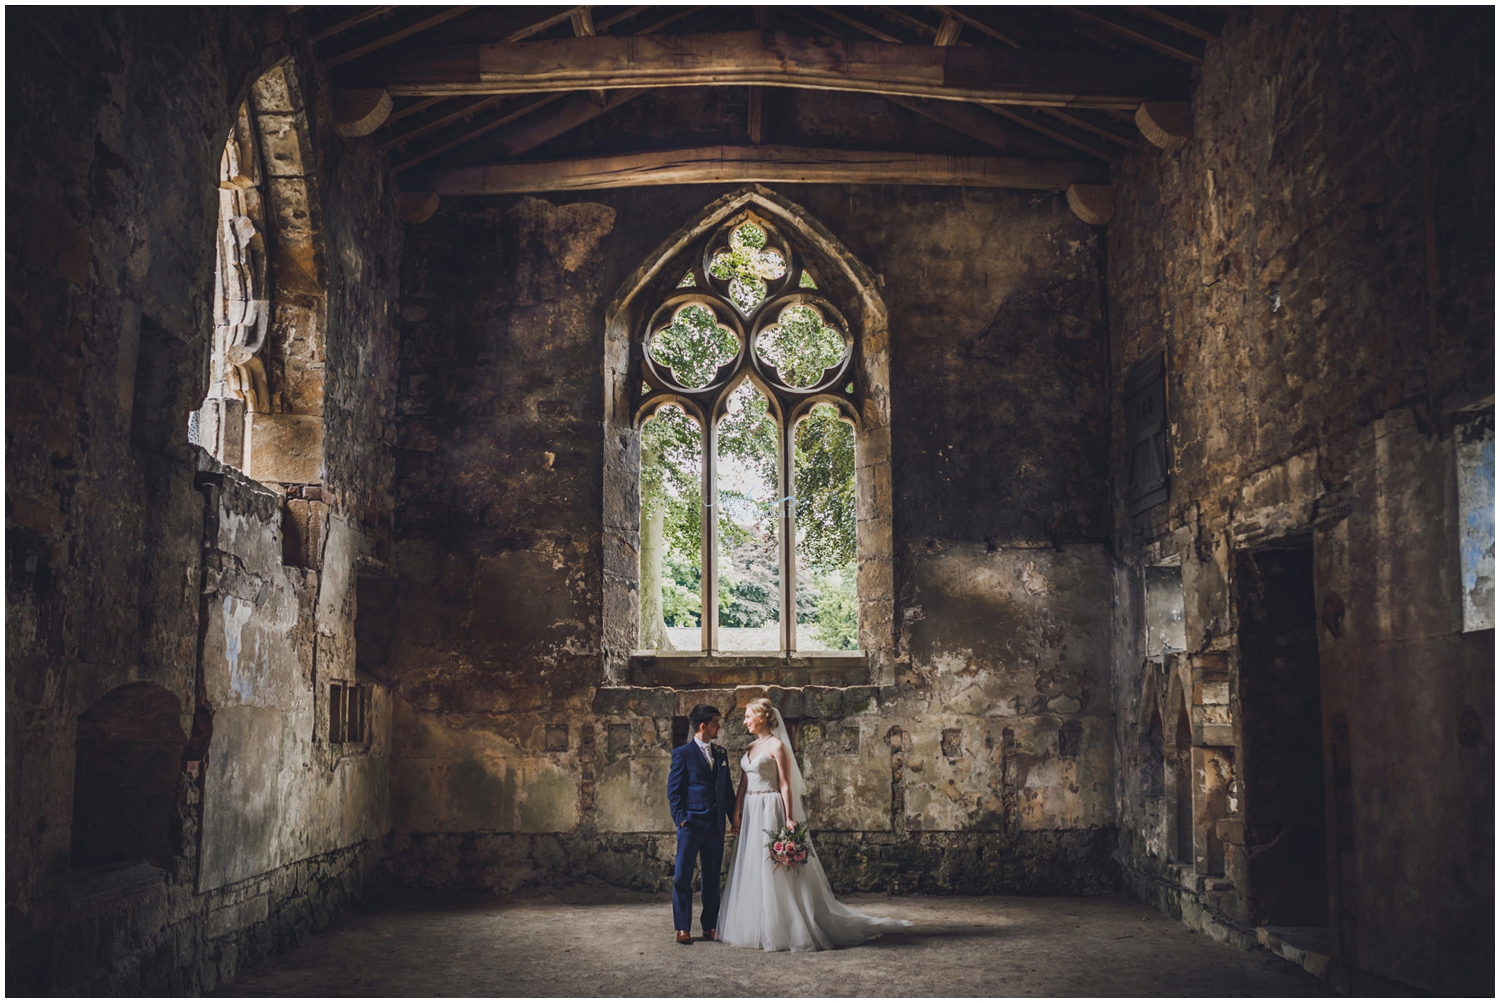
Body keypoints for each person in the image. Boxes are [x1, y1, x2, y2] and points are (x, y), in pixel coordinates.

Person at [717, 697, 911, 951]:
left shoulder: (777, 746)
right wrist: (736, 812)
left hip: (770, 808)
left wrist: (788, 817)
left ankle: (784, 924)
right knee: (752, 863)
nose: (744, 721)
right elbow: (743, 783)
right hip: (752, 810)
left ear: (762, 717)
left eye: (748, 717)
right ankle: (755, 923)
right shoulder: (750, 747)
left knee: (774, 867)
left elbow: (785, 784)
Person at [666, 703, 736, 945]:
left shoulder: (721, 753)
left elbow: (727, 790)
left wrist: (733, 818)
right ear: (703, 726)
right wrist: (682, 820)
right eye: (716, 723)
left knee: (712, 878)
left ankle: (710, 925)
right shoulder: (682, 754)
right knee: (682, 877)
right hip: (691, 824)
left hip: (715, 826)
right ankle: (682, 928)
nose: (719, 728)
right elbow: (674, 792)